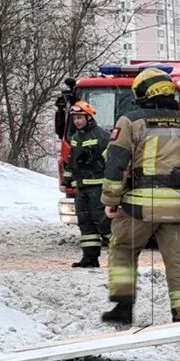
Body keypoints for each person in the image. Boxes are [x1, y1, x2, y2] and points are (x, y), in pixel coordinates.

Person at [101, 67, 180, 327]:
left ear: (145, 92)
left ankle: (123, 308)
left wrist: (111, 201)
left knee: (123, 249)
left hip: (140, 205)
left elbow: (116, 164)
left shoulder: (130, 121)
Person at [63, 101, 111, 268]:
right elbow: (70, 162)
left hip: (98, 187)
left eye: (80, 118)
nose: (77, 121)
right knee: (85, 222)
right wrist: (66, 180)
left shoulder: (102, 136)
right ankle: (90, 258)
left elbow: (112, 162)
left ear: (89, 118)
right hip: (81, 187)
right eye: (75, 118)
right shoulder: (75, 138)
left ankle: (120, 255)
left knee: (103, 222)